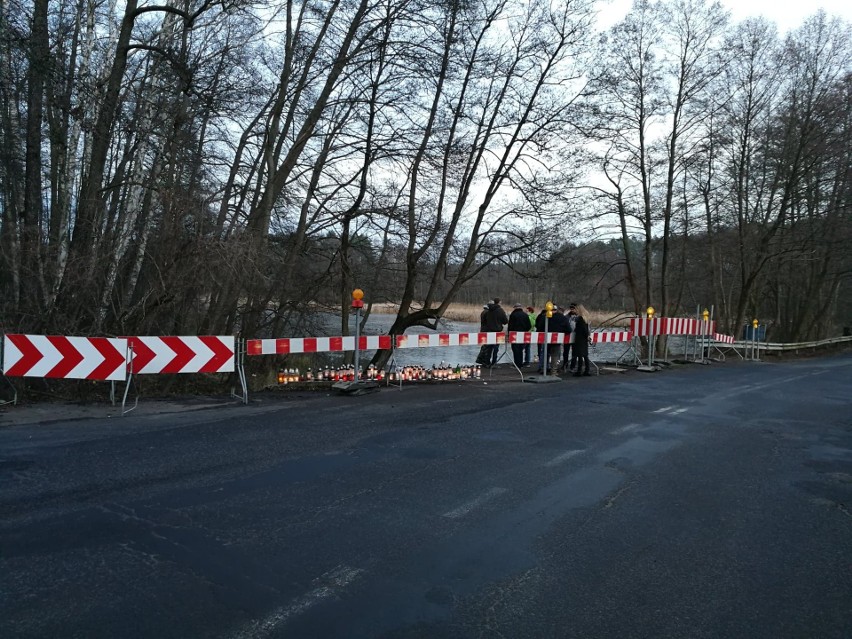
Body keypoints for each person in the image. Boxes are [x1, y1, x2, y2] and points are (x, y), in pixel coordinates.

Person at [482, 298, 509, 366]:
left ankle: (487, 362)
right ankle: (494, 362)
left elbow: (485, 320)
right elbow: (505, 321)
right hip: (498, 331)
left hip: (489, 331)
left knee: (489, 348)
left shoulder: (489, 310)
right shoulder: (500, 310)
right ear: (499, 302)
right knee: (496, 348)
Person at [508, 303, 532, 368]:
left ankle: (517, 364)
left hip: (514, 334)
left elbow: (510, 326)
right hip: (523, 334)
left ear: (515, 308)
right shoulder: (525, 315)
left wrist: (509, 334)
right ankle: (520, 363)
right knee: (521, 349)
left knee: (515, 350)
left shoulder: (513, 315)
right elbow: (529, 326)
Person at [571, 303, 591, 376]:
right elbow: (586, 329)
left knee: (579, 355)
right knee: (585, 355)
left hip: (579, 339)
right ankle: (587, 370)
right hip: (584, 339)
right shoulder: (585, 318)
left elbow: (581, 329)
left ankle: (579, 371)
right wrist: (587, 336)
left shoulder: (580, 319)